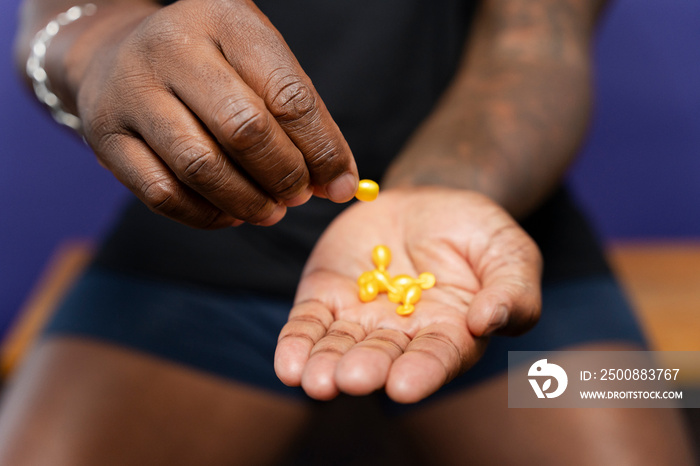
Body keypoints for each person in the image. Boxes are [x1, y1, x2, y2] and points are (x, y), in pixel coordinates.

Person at [2, 0, 696, 464]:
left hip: (480, 235)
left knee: (649, 416)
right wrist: (106, 54)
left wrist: (445, 193)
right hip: (192, 246)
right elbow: (55, 23)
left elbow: (538, 41)